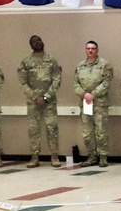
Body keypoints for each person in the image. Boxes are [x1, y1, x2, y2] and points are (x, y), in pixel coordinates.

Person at [17, 35, 62, 168]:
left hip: (50, 101)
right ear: (31, 45)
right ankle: (34, 157)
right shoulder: (26, 62)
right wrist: (35, 97)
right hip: (33, 102)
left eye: (39, 40)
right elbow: (23, 82)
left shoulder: (51, 60)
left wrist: (47, 97)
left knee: (52, 127)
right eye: (34, 42)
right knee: (33, 129)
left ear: (43, 42)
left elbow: (57, 80)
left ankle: (54, 156)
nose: (37, 42)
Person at [73, 40, 113, 167]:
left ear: (97, 50)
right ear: (85, 50)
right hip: (85, 103)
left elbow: (106, 83)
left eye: (93, 48)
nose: (90, 50)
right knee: (87, 132)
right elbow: (75, 84)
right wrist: (84, 94)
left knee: (101, 131)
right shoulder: (80, 66)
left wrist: (93, 94)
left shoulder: (104, 65)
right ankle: (91, 156)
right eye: (88, 48)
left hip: (99, 103)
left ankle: (103, 157)